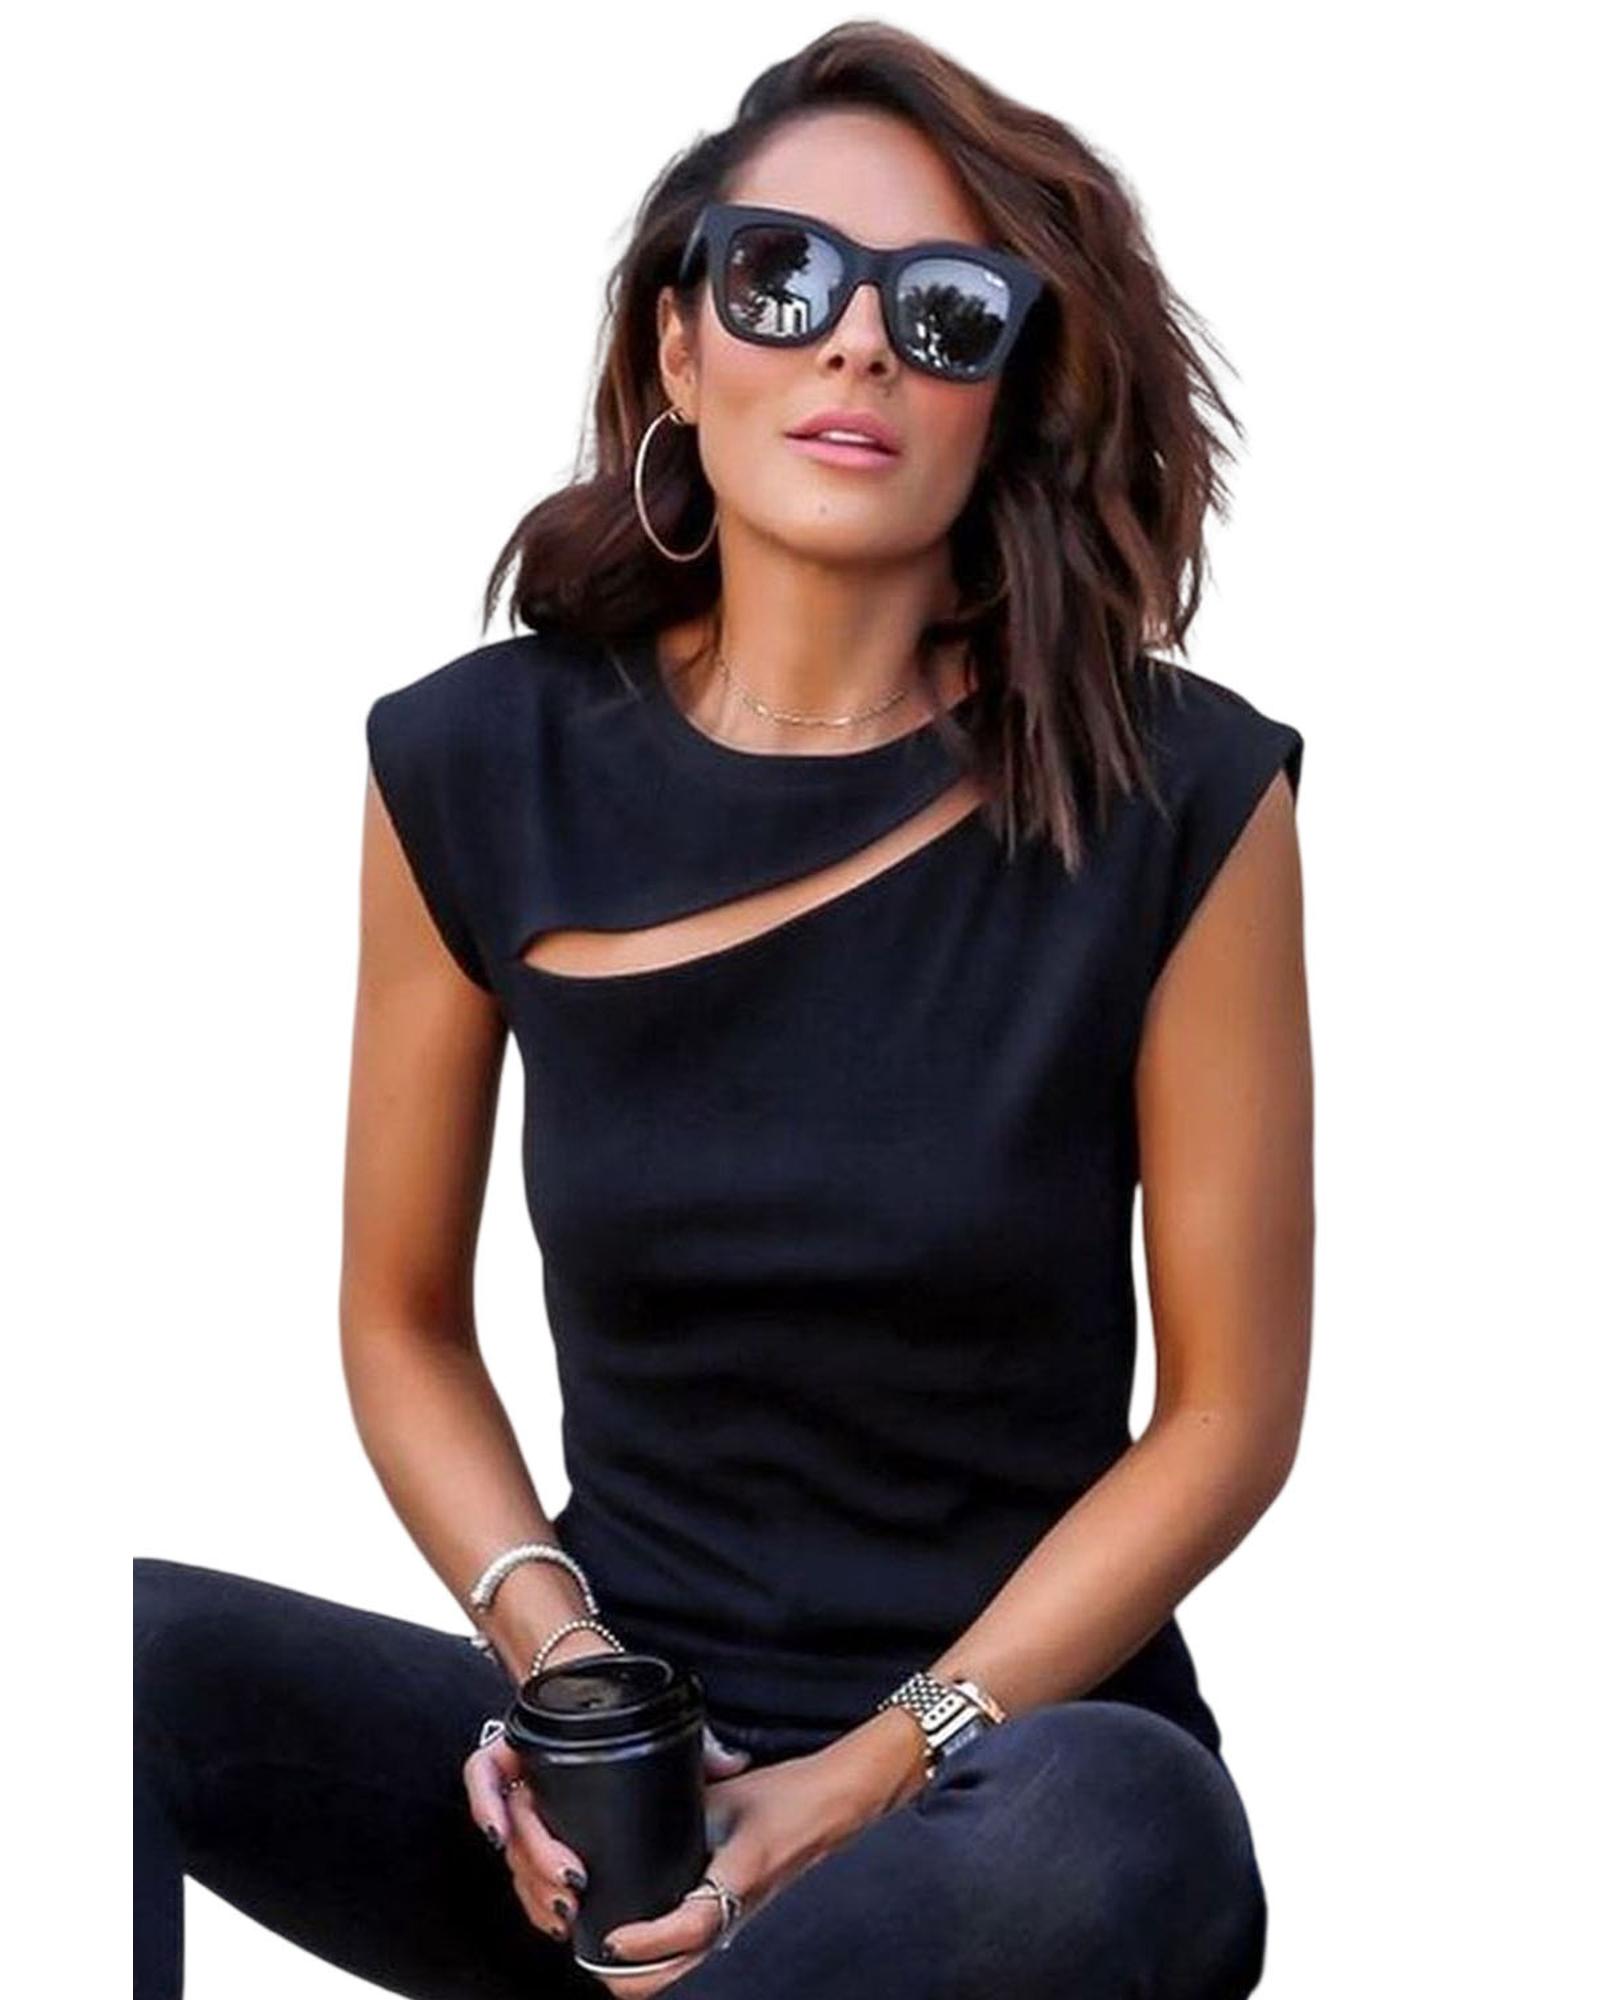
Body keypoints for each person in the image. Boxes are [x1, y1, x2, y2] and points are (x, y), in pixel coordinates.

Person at [133, 21, 1311, 2000]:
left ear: (1005, 396)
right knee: (115, 1662)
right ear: (680, 348)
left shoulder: (1182, 798)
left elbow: (1225, 1418)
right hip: (625, 1798)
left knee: (1122, 1821)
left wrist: (861, 1780)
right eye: (784, 278)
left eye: (942, 312)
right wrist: (567, 1687)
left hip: (993, 1794)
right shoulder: (474, 764)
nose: (857, 345)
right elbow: (398, 1318)